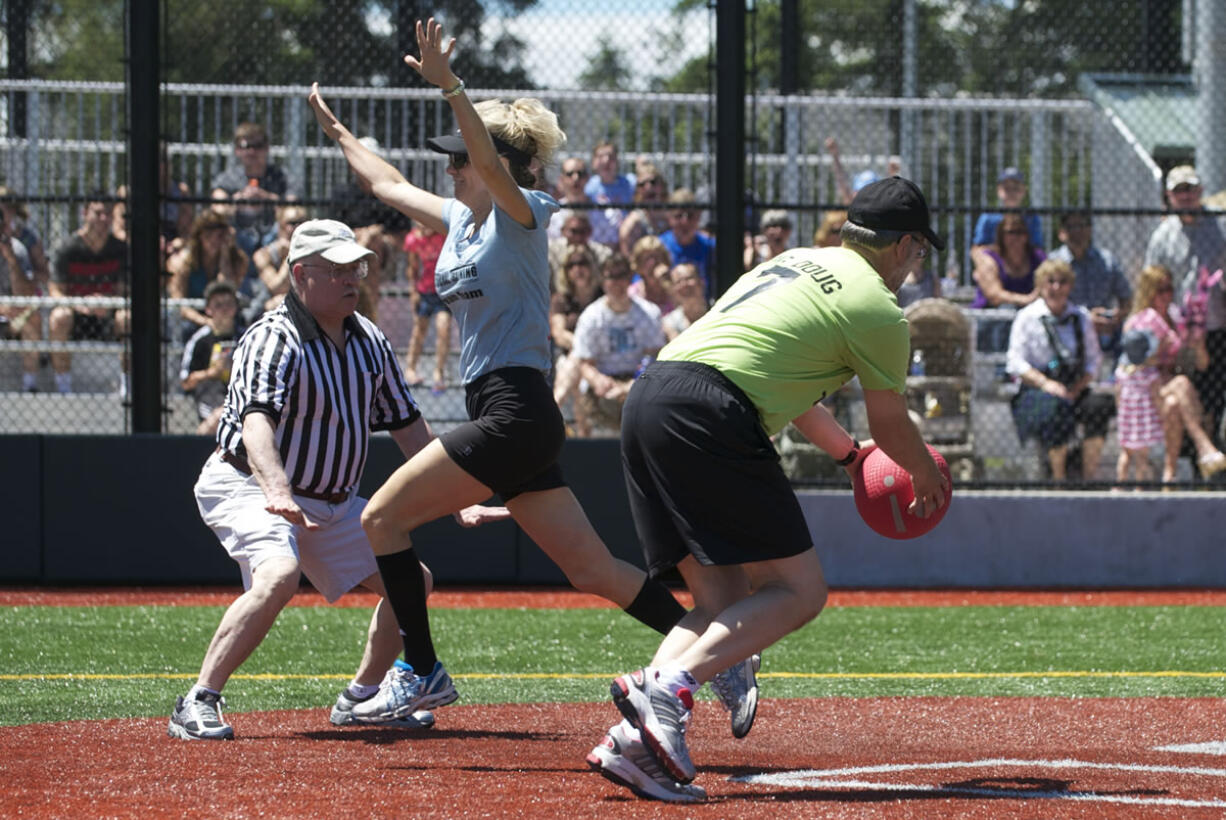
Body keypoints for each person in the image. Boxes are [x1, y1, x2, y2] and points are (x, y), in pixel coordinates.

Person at [306, 19, 756, 734]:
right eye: (453, 160)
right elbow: (387, 182)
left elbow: (487, 166)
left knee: (380, 519)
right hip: (512, 415)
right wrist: (338, 132)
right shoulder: (460, 219)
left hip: (514, 411)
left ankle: (420, 670)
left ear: (501, 166)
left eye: (463, 158)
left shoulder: (521, 214)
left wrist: (452, 87)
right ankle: (721, 655)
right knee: (594, 571)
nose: (453, 168)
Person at [588, 176, 949, 803]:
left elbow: (795, 389)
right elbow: (891, 422)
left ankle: (633, 742)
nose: (916, 265)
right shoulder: (881, 310)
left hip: (652, 396)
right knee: (799, 590)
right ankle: (668, 688)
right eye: (919, 251)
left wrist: (850, 458)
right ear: (906, 244)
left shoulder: (794, 262)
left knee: (720, 599)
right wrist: (921, 471)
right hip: (713, 413)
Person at [167, 218, 508, 741]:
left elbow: (408, 426)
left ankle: (362, 696)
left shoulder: (368, 338)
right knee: (279, 575)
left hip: (330, 500)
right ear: (300, 275)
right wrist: (277, 490)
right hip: (249, 486)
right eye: (339, 270)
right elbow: (257, 423)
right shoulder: (272, 337)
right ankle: (198, 700)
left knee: (411, 582)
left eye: (357, 268)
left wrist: (454, 496)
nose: (354, 278)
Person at [1115, 265, 1226, 484]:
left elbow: (1202, 365)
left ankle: (1169, 475)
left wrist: (1197, 343)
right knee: (1181, 384)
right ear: (1148, 292)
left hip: (1174, 393)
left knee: (1176, 401)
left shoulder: (1178, 317)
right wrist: (1157, 354)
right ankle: (1203, 446)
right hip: (1145, 393)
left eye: (1170, 289)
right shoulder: (1138, 323)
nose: (1167, 295)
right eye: (1161, 290)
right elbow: (1131, 368)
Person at [1005, 259, 1114, 481]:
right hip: (1037, 388)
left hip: (1075, 385)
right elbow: (1015, 361)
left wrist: (1077, 387)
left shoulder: (1081, 317)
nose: (1056, 287)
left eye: (1062, 282)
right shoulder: (1027, 317)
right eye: (1050, 281)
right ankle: (1058, 479)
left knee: (1099, 406)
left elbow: (1094, 360)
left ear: (1070, 286)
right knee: (1055, 409)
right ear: (1041, 285)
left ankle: (1088, 477)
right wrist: (1047, 384)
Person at [1144, 164, 1226, 455]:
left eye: (1190, 189)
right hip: (1180, 338)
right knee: (1194, 402)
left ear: (1201, 191)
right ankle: (1202, 469)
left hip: (1220, 330)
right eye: (1179, 191)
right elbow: (1152, 287)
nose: (1186, 196)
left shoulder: (1221, 226)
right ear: (1169, 196)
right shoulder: (1162, 237)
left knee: (1218, 405)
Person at [571, 253, 666, 437]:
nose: (617, 283)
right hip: (604, 381)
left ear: (630, 278)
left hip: (639, 379)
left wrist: (634, 384)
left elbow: (652, 356)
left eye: (621, 276)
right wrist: (599, 380)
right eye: (611, 277)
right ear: (602, 281)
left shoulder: (648, 313)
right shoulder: (591, 317)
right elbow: (585, 364)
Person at [47, 193, 129, 395]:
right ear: (85, 213)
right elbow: (55, 290)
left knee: (127, 318)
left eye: (108, 214)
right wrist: (80, 304)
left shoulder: (121, 249)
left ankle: (127, 386)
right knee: (58, 317)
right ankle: (63, 387)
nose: (104, 219)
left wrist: (107, 303)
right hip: (76, 315)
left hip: (108, 315)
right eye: (98, 213)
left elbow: (125, 290)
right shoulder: (66, 248)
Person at [1050, 210, 1131, 372]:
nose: (1077, 231)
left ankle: (1118, 382)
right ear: (1062, 233)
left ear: (1090, 230)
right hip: (1068, 327)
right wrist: (1086, 319)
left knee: (1132, 337)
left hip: (1105, 328)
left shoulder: (1106, 261)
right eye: (1071, 227)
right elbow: (1050, 304)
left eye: (1082, 226)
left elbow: (1126, 298)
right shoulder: (1054, 263)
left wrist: (1116, 316)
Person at [210, 122, 299, 255]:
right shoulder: (229, 178)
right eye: (247, 146)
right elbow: (217, 208)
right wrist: (239, 201)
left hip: (274, 239)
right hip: (237, 240)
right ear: (237, 150)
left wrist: (266, 198)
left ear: (267, 148)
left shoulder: (282, 177)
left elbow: (294, 207)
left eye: (258, 146)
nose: (252, 152)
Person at [166, 210, 250, 342]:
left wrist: (225, 256)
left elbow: (226, 290)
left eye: (219, 235)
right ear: (198, 236)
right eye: (208, 235)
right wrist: (206, 322)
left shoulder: (238, 261)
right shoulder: (182, 262)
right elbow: (179, 304)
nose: (213, 240)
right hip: (192, 319)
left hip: (224, 316)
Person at [178, 280, 245, 437]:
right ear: (208, 309)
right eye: (218, 305)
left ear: (236, 308)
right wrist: (212, 372)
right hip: (209, 406)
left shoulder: (246, 336)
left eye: (229, 304)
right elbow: (185, 382)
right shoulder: (199, 340)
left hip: (242, 401)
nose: (224, 309)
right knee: (220, 414)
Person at [550, 248, 604, 435]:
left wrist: (585, 349)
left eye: (583, 263)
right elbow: (558, 333)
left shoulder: (602, 295)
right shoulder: (561, 299)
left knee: (576, 365)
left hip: (600, 357)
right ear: (566, 270)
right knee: (576, 365)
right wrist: (583, 346)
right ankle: (583, 434)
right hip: (571, 355)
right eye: (572, 265)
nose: (578, 268)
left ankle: (555, 406)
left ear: (592, 268)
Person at [402, 220, 452, 391]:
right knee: (419, 330)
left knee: (443, 328)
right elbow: (413, 268)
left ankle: (439, 372)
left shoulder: (443, 236)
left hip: (443, 291)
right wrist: (413, 291)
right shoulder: (413, 240)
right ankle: (410, 369)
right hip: (424, 291)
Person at [969, 211, 1045, 308]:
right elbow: (994, 295)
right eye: (1010, 232)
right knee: (1007, 307)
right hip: (992, 314)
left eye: (1020, 232)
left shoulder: (1038, 257)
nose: (1015, 237)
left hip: (1028, 313)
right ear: (1001, 235)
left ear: (1027, 236)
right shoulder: (989, 258)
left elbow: (1047, 282)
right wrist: (1027, 299)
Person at [248, 204, 308, 323]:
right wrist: (291, 254)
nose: (298, 227)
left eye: (301, 222)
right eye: (292, 223)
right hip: (268, 312)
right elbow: (278, 287)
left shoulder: (312, 254)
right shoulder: (263, 255)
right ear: (281, 226)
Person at [0, 219, 41, 391]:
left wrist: (11, 259)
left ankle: (29, 385)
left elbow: (26, 292)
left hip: (13, 314)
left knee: (33, 318)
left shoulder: (16, 249)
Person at [971, 167, 1043, 252]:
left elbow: (1037, 248)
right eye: (1007, 188)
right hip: (994, 262)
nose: (1011, 192)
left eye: (1016, 188)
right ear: (998, 191)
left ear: (1024, 191)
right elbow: (977, 248)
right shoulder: (988, 217)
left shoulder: (1032, 218)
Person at [545, 155, 614, 244]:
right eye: (570, 174)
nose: (576, 178)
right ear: (561, 179)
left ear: (588, 178)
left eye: (580, 174)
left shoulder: (603, 211)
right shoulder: (553, 213)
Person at [659, 189, 716, 295]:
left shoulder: (711, 247)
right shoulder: (659, 247)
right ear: (669, 218)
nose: (685, 222)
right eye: (678, 216)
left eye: (690, 216)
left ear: (698, 217)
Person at [584, 140, 634, 247]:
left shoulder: (629, 183)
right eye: (600, 156)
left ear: (617, 162)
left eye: (611, 157)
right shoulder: (588, 186)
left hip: (624, 242)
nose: (606, 160)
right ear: (593, 163)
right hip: (596, 243)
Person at [618, 163, 670, 258]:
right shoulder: (634, 221)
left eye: (653, 182)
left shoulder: (674, 215)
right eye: (642, 184)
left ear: (661, 186)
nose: (648, 187)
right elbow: (627, 254)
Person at [547, 210, 611, 286]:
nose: (578, 237)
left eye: (582, 231)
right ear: (563, 231)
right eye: (574, 231)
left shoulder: (601, 252)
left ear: (590, 231)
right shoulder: (552, 250)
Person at [660, 263, 708, 342]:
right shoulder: (669, 323)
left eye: (688, 278)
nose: (684, 285)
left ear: (701, 282)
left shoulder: (718, 311)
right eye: (678, 281)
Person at [627, 235, 673, 315]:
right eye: (647, 258)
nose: (653, 263)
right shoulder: (633, 294)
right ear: (639, 265)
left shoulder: (677, 288)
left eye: (656, 257)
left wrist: (668, 284)